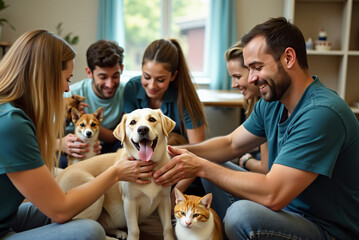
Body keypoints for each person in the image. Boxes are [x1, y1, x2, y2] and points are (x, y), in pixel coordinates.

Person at [0, 30, 155, 240]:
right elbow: (60, 210)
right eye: (67, 79)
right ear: (46, 75)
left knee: (77, 211)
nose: (67, 89)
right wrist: (115, 173)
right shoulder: (6, 122)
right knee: (90, 231)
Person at [153, 17, 359, 239]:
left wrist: (200, 167)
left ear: (289, 58)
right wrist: (174, 152)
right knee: (212, 162)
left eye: (257, 67)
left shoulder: (322, 112)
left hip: (325, 229)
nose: (251, 78)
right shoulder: (271, 103)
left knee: (241, 215)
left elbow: (273, 194)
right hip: (286, 211)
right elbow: (230, 144)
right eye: (249, 69)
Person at [123, 38, 208, 197]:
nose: (152, 85)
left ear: (173, 76)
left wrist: (174, 194)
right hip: (140, 161)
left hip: (177, 167)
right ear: (141, 70)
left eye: (160, 80)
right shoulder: (132, 88)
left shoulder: (185, 98)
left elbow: (198, 154)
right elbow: (127, 137)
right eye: (146, 76)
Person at [57, 40, 125, 167]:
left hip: (107, 149)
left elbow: (117, 137)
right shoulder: (69, 95)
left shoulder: (126, 92)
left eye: (115, 76)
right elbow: (45, 135)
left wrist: (89, 120)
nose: (110, 84)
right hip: (72, 152)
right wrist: (61, 144)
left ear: (121, 69)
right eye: (103, 77)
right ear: (89, 72)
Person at [226, 41, 268, 174]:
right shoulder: (259, 103)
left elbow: (265, 169)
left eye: (237, 77)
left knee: (212, 163)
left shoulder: (268, 106)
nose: (233, 84)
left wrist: (246, 161)